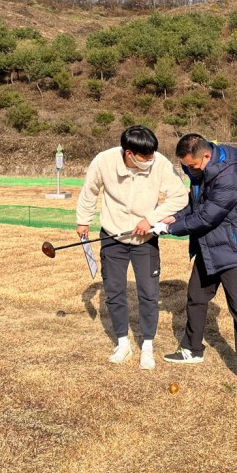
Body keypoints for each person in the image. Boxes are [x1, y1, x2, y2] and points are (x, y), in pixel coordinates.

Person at [156, 133, 237, 391]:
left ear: (206, 156)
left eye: (192, 166)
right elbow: (195, 205)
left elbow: (206, 217)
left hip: (235, 250)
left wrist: (171, 229)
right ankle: (192, 349)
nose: (189, 170)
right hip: (210, 247)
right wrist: (173, 217)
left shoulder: (230, 177)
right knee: (196, 296)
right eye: (185, 166)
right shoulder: (201, 171)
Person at [76, 125, 188, 370]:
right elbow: (90, 191)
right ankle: (122, 343)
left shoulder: (159, 163)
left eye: (152, 154)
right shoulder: (104, 161)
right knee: (114, 291)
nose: (150, 159)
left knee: (149, 293)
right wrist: (83, 220)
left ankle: (147, 346)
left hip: (145, 240)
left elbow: (180, 196)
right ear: (129, 153)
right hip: (112, 236)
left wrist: (151, 219)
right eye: (145, 156)